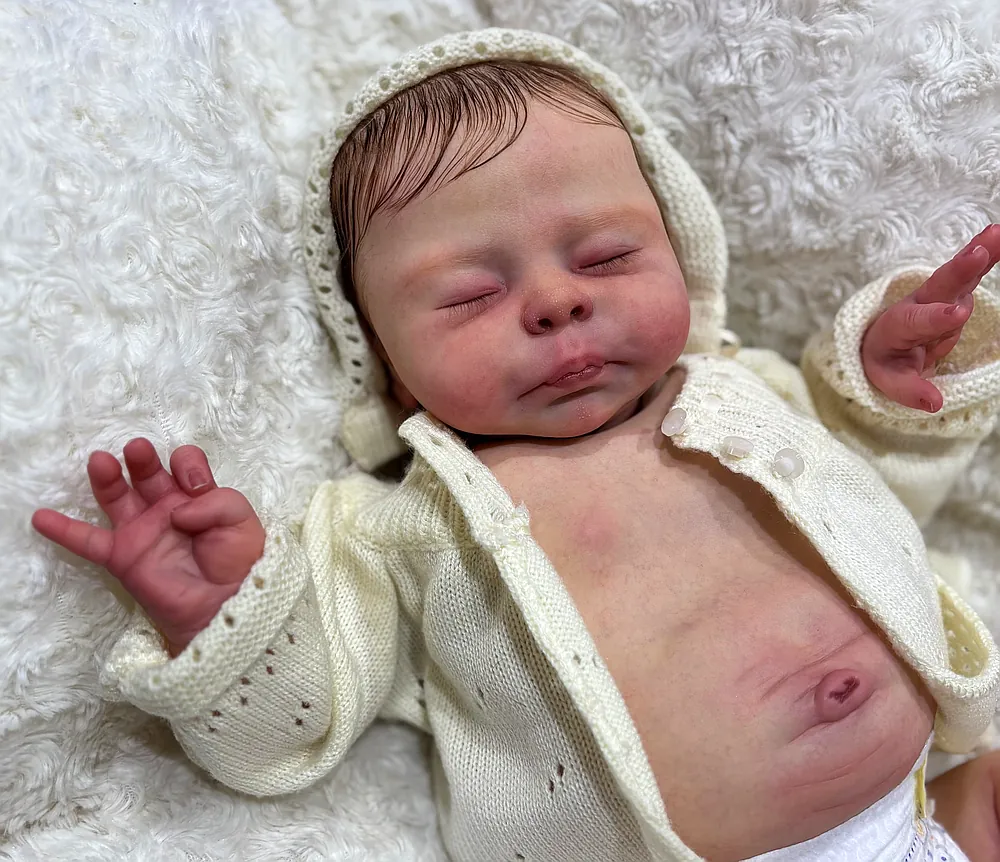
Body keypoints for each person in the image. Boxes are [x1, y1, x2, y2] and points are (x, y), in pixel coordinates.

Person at [31, 28, 1000, 862]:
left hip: (932, 799)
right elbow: (288, 730)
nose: (556, 301)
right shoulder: (401, 525)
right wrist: (223, 615)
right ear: (389, 366)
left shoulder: (746, 395)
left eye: (606, 256)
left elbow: (875, 501)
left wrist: (884, 388)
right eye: (472, 295)